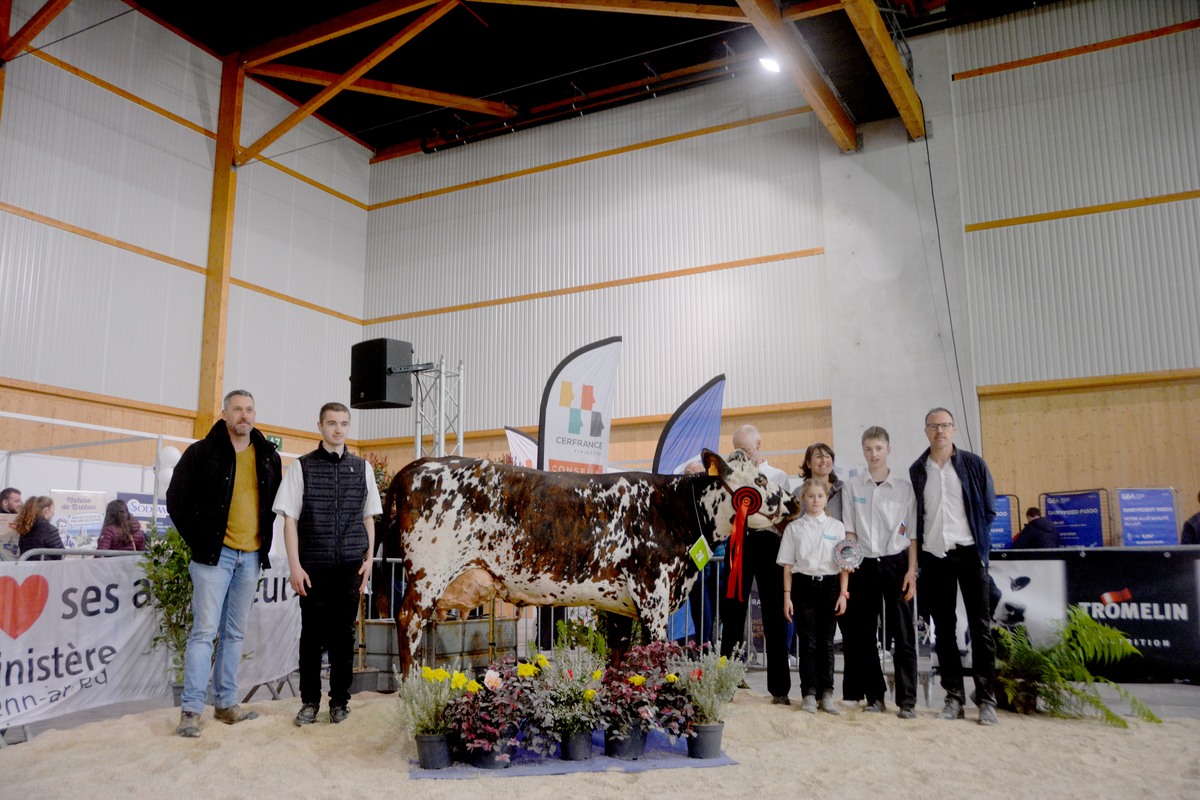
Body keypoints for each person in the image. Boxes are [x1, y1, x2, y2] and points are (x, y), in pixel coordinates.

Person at [167, 390, 281, 738]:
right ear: (225, 413)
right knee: (204, 632)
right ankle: (191, 710)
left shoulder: (268, 457)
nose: (243, 416)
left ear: (254, 415)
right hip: (214, 558)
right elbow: (176, 501)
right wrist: (200, 542)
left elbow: (276, 504)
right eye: (237, 410)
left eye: (249, 409)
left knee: (234, 633)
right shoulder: (201, 453)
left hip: (251, 557)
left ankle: (226, 704)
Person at [274, 402, 380, 726]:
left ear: (348, 427)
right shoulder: (300, 467)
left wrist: (370, 561)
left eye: (344, 423)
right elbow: (289, 520)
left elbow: (368, 517)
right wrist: (294, 565)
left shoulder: (363, 468)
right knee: (311, 636)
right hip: (313, 568)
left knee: (343, 638)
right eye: (332, 423)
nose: (338, 429)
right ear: (320, 425)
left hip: (350, 567)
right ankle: (309, 702)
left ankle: (339, 703)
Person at [909, 407, 999, 726]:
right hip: (935, 558)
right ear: (926, 431)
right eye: (933, 426)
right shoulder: (917, 469)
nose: (939, 432)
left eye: (945, 426)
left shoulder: (974, 464)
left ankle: (987, 699)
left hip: (970, 554)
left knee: (980, 627)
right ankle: (954, 698)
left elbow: (988, 509)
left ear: (954, 430)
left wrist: (975, 541)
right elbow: (916, 516)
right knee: (943, 631)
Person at [842, 426, 918, 719]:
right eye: (868, 449)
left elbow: (911, 535)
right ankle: (875, 696)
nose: (873, 454)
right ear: (863, 452)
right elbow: (850, 531)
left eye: (878, 448)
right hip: (863, 563)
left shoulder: (904, 488)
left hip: (897, 563)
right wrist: (848, 566)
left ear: (888, 450)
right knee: (863, 634)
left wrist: (911, 570)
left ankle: (908, 700)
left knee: (903, 633)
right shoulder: (852, 487)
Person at [720, 427, 793, 704]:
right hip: (739, 543)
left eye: (746, 450)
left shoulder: (778, 476)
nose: (741, 455)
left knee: (774, 616)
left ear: (759, 445)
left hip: (770, 543)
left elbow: (786, 516)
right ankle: (728, 682)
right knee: (732, 612)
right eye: (737, 449)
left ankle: (780, 689)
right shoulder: (730, 477)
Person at [779, 478, 848, 714]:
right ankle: (808, 693)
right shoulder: (793, 528)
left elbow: (844, 564)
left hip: (829, 586)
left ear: (826, 498)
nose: (815, 500)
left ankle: (826, 694)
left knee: (826, 643)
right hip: (803, 586)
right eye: (810, 496)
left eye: (820, 496)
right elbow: (788, 566)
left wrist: (843, 593)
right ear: (803, 499)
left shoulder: (837, 527)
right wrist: (787, 596)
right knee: (807, 642)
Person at [15, 496, 62, 560]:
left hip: (26, 567)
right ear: (46, 510)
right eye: (53, 509)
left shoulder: (26, 527)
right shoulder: (49, 529)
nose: (54, 513)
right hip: (45, 567)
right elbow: (60, 554)